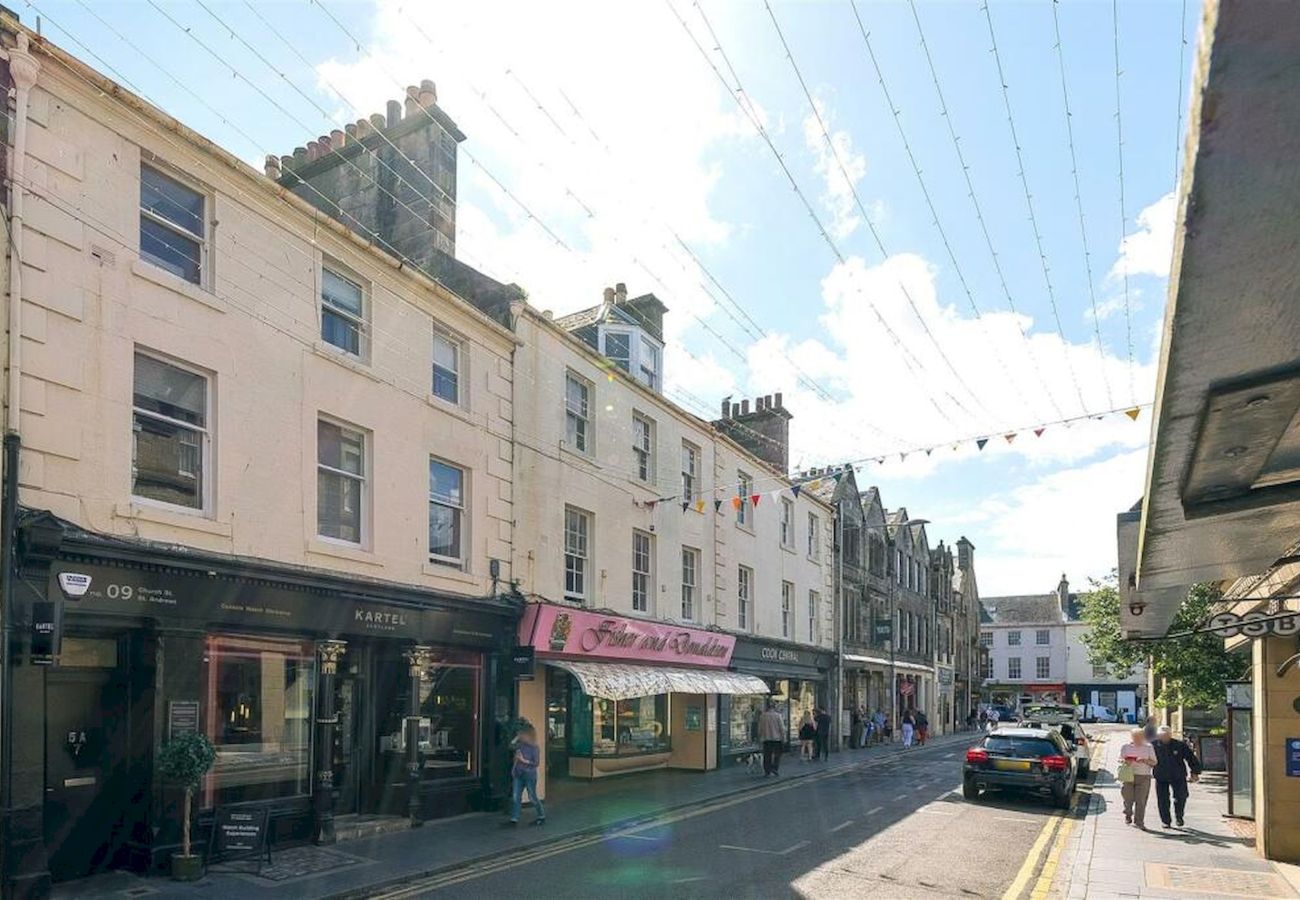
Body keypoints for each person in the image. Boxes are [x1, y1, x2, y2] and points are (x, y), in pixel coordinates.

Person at [1153, 725, 1202, 828]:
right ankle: (1166, 821)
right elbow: (1146, 756)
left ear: (1170, 735)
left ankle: (1179, 816)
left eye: (1166, 735)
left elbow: (1191, 758)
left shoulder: (1179, 745)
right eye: (1161, 735)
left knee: (1181, 797)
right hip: (1161, 775)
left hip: (1178, 775)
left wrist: (1195, 772)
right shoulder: (1153, 745)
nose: (1164, 737)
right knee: (1163, 799)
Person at [1119, 727, 1157, 829]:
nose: (1137, 739)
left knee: (1141, 800)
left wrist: (1145, 760)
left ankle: (1139, 821)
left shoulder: (1148, 747)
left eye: (1139, 737)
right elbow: (1121, 759)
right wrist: (1126, 761)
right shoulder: (1126, 747)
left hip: (1143, 776)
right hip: (1128, 775)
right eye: (1135, 737)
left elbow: (1154, 762)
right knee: (1128, 798)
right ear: (1131, 737)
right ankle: (1128, 812)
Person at [509, 726, 545, 827]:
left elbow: (536, 763)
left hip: (529, 774)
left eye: (523, 734)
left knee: (532, 797)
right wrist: (517, 737)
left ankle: (541, 816)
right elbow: (511, 745)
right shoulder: (520, 745)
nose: (522, 736)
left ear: (529, 735)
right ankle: (514, 819)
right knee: (516, 796)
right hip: (518, 774)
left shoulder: (535, 748)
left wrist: (523, 760)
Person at [758, 702, 785, 776]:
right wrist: (783, 738)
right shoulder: (778, 716)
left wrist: (759, 737)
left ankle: (767, 771)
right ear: (774, 707)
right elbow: (782, 728)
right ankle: (774, 768)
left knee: (767, 755)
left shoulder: (762, 716)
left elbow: (760, 728)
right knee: (777, 754)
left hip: (766, 739)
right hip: (776, 739)